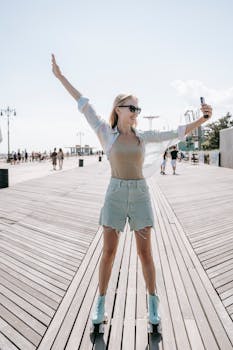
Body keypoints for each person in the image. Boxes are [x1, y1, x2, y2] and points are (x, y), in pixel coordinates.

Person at [51, 54, 212, 331]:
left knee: (145, 254)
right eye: (133, 108)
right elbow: (83, 104)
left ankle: (152, 302)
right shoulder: (105, 132)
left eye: (138, 109)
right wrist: (60, 76)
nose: (137, 112)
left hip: (139, 195)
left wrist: (202, 120)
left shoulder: (143, 137)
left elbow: (175, 132)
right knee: (109, 253)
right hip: (115, 193)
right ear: (119, 109)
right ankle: (100, 302)